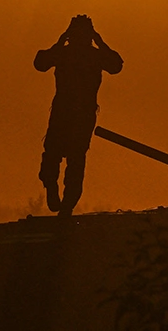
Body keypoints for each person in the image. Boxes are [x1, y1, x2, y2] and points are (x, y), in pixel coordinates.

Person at [34, 14, 123, 216]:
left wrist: (62, 40)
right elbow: (40, 63)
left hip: (73, 113)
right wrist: (98, 41)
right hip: (70, 113)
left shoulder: (74, 54)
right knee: (66, 157)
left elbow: (116, 66)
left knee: (67, 157)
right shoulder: (84, 55)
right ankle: (59, 197)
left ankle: (65, 202)